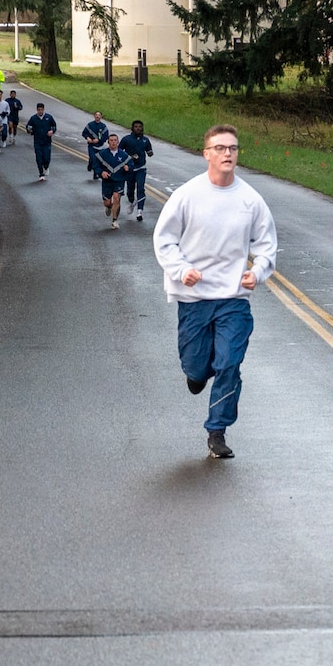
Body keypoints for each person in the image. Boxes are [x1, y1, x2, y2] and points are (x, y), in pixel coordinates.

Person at [153, 124, 277, 460]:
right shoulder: (187, 196)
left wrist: (258, 271)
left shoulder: (250, 200)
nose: (227, 154)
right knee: (196, 368)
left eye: (233, 148)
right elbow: (164, 240)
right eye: (220, 148)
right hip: (193, 299)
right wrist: (182, 270)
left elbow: (267, 245)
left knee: (229, 363)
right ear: (206, 153)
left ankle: (217, 431)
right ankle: (196, 375)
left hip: (233, 298)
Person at [90, 131, 129, 226]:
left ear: (118, 142)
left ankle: (115, 220)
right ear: (108, 142)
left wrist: (128, 168)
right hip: (107, 181)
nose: (113, 142)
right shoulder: (102, 154)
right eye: (111, 140)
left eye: (115, 140)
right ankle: (109, 207)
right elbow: (95, 165)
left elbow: (130, 165)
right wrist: (101, 172)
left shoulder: (124, 155)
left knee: (116, 198)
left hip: (119, 180)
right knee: (107, 202)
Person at [118, 119, 154, 222]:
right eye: (136, 126)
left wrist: (150, 153)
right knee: (130, 190)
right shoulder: (126, 139)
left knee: (141, 188)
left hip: (141, 168)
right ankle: (132, 202)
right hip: (130, 168)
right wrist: (130, 157)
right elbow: (119, 152)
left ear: (142, 128)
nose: (138, 128)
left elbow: (149, 151)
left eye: (140, 126)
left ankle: (139, 211)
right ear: (132, 128)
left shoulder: (145, 140)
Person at [26, 102, 57, 181]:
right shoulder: (33, 118)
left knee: (46, 157)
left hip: (46, 141)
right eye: (39, 110)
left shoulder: (48, 117)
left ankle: (46, 166)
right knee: (39, 158)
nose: (40, 111)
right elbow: (28, 127)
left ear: (43, 109)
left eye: (41, 110)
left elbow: (54, 126)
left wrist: (52, 131)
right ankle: (41, 173)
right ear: (37, 110)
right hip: (37, 141)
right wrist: (29, 130)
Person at [81, 112, 109, 180]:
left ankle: (95, 173)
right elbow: (84, 133)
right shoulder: (90, 125)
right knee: (93, 158)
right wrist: (87, 138)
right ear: (94, 116)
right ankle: (92, 166)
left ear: (101, 117)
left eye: (99, 115)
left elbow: (105, 136)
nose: (97, 116)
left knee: (99, 160)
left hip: (100, 146)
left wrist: (99, 140)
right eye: (96, 115)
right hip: (92, 146)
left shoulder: (103, 126)